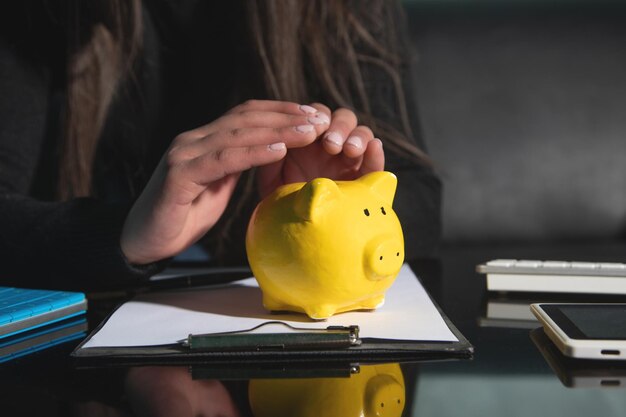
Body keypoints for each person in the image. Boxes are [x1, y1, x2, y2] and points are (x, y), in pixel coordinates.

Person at [0, 0, 441, 290]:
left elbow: (421, 196)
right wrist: (124, 236)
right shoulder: (44, 13)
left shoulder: (339, 10)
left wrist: (335, 215)